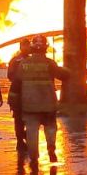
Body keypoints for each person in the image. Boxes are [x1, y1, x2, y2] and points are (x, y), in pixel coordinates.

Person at [13, 35, 70, 165]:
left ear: (32, 48)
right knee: (50, 127)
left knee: (31, 131)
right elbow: (63, 75)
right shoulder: (50, 63)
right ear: (46, 48)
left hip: (29, 105)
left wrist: (14, 103)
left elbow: (16, 84)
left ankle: (34, 157)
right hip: (48, 104)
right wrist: (68, 70)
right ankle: (51, 149)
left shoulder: (23, 64)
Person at [6, 39, 30, 153]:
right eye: (24, 46)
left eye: (28, 46)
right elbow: (10, 75)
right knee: (19, 119)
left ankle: (25, 138)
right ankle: (20, 141)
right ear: (20, 47)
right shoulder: (15, 60)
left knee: (28, 119)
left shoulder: (31, 60)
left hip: (28, 93)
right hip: (18, 94)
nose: (26, 48)